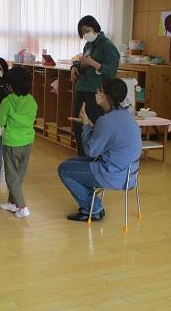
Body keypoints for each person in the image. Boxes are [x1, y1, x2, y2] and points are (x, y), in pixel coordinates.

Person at [58, 78, 142, 221]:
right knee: (73, 162)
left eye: (100, 90)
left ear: (107, 96)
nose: (97, 93)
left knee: (64, 169)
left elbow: (90, 150)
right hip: (129, 173)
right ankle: (92, 204)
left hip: (113, 175)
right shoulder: (126, 116)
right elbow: (106, 137)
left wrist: (85, 126)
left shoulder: (107, 120)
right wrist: (90, 124)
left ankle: (93, 208)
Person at [70, 15, 120, 156]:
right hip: (82, 89)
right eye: (83, 32)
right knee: (79, 125)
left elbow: (111, 71)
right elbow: (82, 64)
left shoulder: (108, 46)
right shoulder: (88, 45)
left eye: (87, 30)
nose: (86, 34)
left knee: (95, 125)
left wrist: (93, 63)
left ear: (95, 28)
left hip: (96, 92)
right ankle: (82, 155)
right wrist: (75, 67)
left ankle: (94, 157)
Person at [0, 67, 37, 219]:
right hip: (27, 141)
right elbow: (32, 118)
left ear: (10, 86)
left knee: (11, 176)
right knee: (19, 174)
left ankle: (22, 206)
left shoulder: (7, 101)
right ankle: (12, 203)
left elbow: (0, 121)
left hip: (11, 142)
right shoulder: (32, 101)